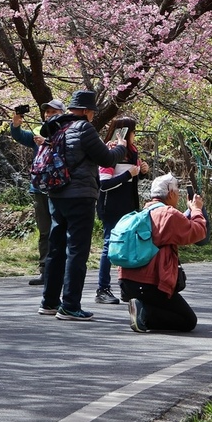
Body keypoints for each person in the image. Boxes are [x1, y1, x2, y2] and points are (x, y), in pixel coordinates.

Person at [39, 90, 132, 320]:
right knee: (77, 250)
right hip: (79, 196)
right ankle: (70, 305)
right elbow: (107, 159)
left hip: (56, 193)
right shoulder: (84, 128)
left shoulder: (56, 126)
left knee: (56, 248)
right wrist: (120, 147)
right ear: (88, 111)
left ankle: (49, 302)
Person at [118, 172, 207, 333]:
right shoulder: (169, 214)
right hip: (150, 284)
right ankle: (144, 311)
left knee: (172, 308)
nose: (178, 197)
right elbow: (199, 232)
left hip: (127, 281)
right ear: (171, 193)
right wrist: (196, 210)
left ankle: (141, 308)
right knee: (188, 320)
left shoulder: (141, 212)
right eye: (177, 193)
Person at [9, 99, 66, 286]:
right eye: (47, 112)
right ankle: (45, 269)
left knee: (62, 229)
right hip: (40, 188)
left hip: (61, 188)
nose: (48, 115)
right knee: (45, 230)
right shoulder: (38, 132)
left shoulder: (68, 132)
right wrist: (15, 125)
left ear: (62, 114)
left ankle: (63, 268)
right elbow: (20, 136)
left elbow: (68, 152)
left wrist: (47, 144)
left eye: (53, 112)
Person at [95, 116, 149, 304]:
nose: (134, 135)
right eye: (132, 131)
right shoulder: (110, 152)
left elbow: (132, 180)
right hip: (111, 207)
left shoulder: (132, 151)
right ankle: (102, 289)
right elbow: (104, 184)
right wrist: (128, 174)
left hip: (129, 207)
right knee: (110, 245)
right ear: (123, 132)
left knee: (129, 246)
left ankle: (128, 288)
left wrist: (142, 172)